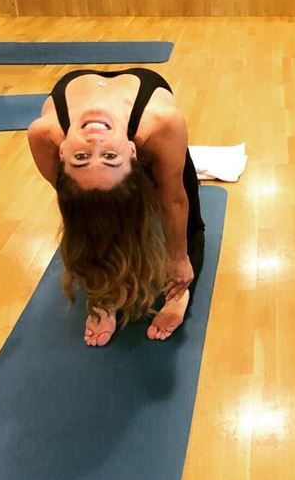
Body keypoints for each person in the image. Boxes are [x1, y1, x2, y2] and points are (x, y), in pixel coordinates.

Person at [27, 68, 204, 347]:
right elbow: (78, 210)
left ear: (134, 151)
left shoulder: (160, 124)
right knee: (95, 214)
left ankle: (178, 293)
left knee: (184, 211)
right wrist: (100, 280)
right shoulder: (43, 134)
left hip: (146, 92)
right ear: (62, 152)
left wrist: (178, 259)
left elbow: (173, 201)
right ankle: (103, 296)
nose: (95, 142)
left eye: (108, 156)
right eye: (82, 157)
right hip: (112, 118)